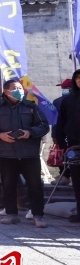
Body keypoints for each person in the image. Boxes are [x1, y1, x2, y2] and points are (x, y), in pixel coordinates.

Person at [0, 80, 49, 228]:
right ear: (6, 91)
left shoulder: (31, 107)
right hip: (6, 154)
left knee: (35, 185)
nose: (20, 90)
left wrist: (30, 132)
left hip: (29, 154)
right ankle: (11, 214)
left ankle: (38, 215)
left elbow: (44, 126)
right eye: (15, 88)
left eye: (20, 88)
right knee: (8, 185)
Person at [54, 69, 80, 222]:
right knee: (77, 181)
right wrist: (62, 142)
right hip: (74, 145)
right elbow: (61, 122)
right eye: (77, 78)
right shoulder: (69, 100)